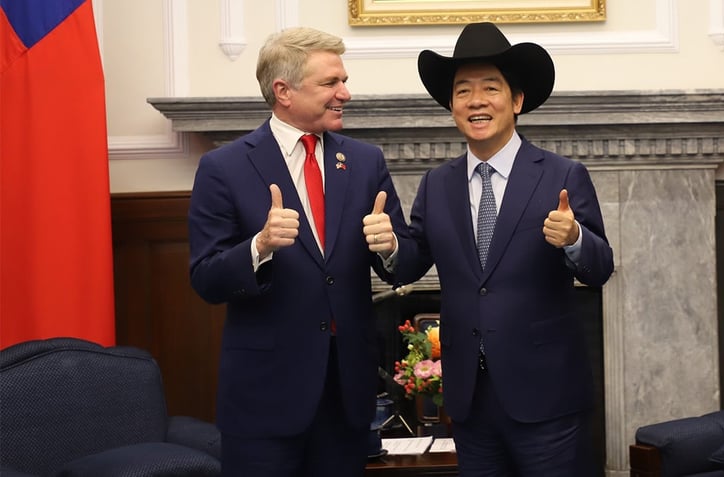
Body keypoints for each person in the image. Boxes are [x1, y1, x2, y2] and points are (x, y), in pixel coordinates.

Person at [385, 22, 615, 475]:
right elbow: (411, 264)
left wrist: (575, 240)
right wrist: (391, 245)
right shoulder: (437, 184)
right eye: (463, 90)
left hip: (547, 397)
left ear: (516, 101)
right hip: (471, 400)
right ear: (451, 106)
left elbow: (600, 268)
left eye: (491, 88)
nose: (476, 100)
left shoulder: (562, 175)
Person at [188, 27, 407, 477]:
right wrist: (259, 246)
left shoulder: (366, 162)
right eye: (330, 83)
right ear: (283, 90)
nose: (345, 93)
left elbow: (407, 260)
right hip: (264, 398)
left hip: (345, 395)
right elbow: (206, 278)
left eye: (343, 80)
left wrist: (391, 247)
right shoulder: (223, 168)